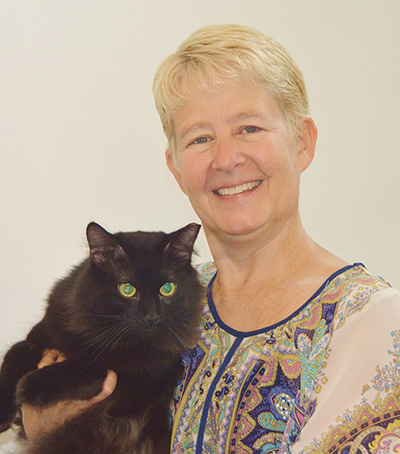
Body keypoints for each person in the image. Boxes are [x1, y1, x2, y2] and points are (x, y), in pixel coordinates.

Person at [4, 24, 400, 454]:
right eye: (201, 138)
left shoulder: (372, 321)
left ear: (302, 142)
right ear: (176, 167)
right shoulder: (173, 302)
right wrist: (45, 428)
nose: (227, 158)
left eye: (249, 128)